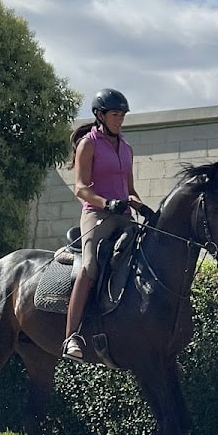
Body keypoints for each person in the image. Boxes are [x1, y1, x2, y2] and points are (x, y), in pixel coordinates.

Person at [62, 88, 153, 360]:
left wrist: (140, 204)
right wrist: (106, 203)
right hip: (97, 215)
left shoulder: (127, 148)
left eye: (122, 115)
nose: (120, 120)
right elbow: (80, 188)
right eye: (115, 114)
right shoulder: (88, 144)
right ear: (100, 115)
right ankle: (72, 336)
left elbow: (130, 188)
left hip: (124, 216)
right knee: (90, 267)